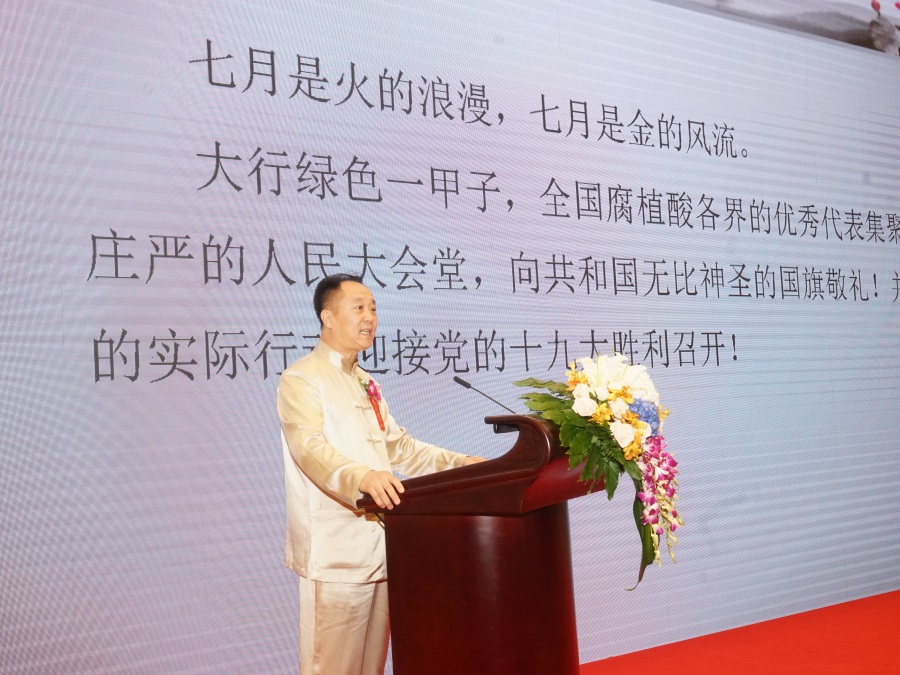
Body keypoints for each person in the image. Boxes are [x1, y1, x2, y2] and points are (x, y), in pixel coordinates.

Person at [277, 273, 483, 674]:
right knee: (331, 667)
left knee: (371, 666)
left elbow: (400, 448)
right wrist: (362, 477)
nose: (369, 317)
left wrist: (460, 464)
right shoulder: (301, 378)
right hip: (336, 554)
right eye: (358, 307)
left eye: (373, 308)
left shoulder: (366, 381)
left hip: (383, 549)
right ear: (327, 317)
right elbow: (309, 448)